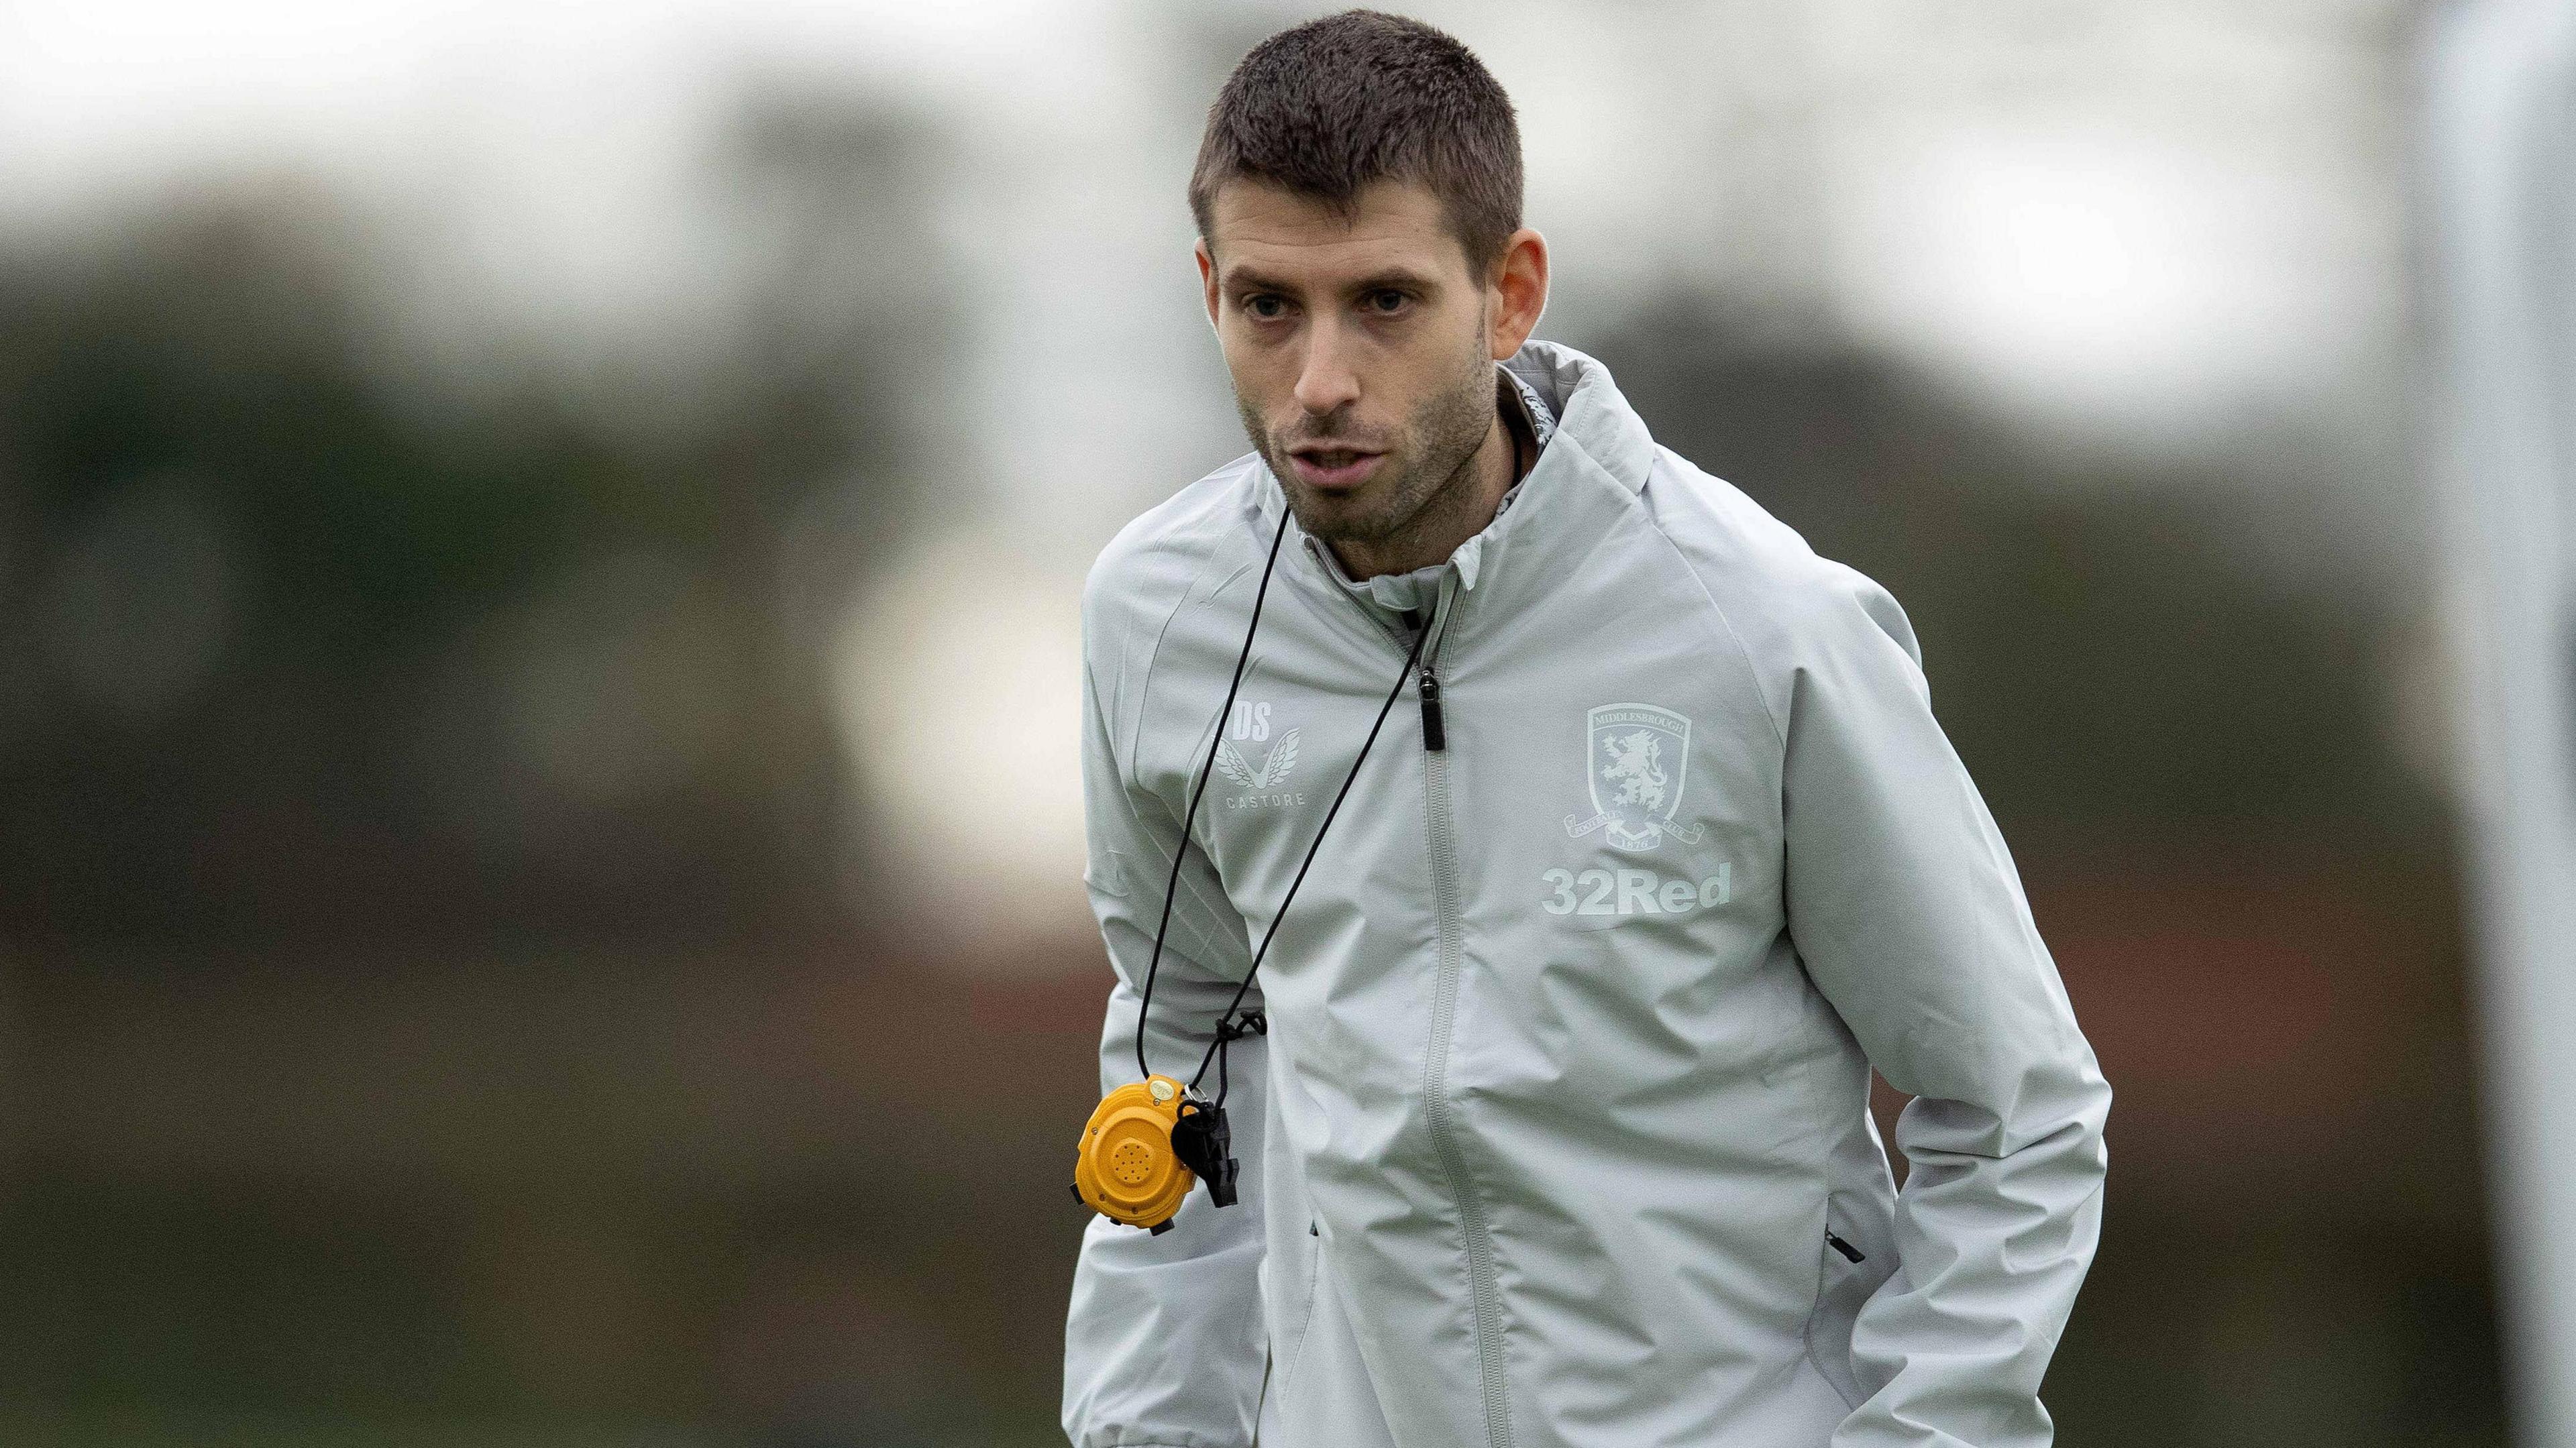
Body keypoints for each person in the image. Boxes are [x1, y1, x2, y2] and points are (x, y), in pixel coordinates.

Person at [1062, 11, 2112, 1447]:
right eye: (1269, 307)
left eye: (1384, 301)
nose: (1319, 382)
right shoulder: (1157, 621)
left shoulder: (1766, 628)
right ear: (1209, 293)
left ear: (1509, 296)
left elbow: (2015, 1111)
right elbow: (1186, 1058)